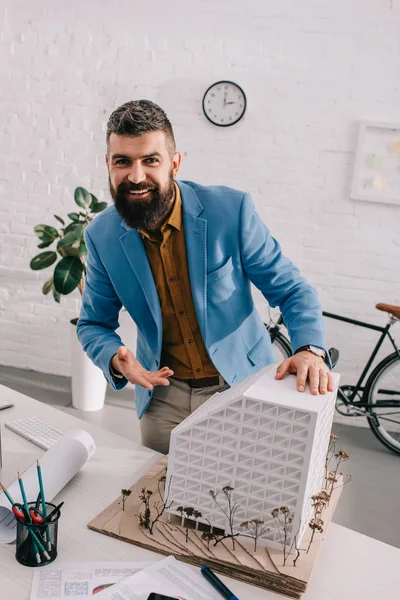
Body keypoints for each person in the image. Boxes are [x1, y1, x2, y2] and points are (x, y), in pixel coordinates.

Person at [77, 99, 334, 455]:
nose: (136, 176)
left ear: (175, 163)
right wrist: (114, 357)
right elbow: (92, 324)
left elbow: (292, 290)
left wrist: (309, 350)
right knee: (162, 506)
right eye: (123, 161)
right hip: (161, 401)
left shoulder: (231, 211)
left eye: (150, 160)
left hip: (239, 389)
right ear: (109, 165)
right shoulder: (101, 236)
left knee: (239, 503)